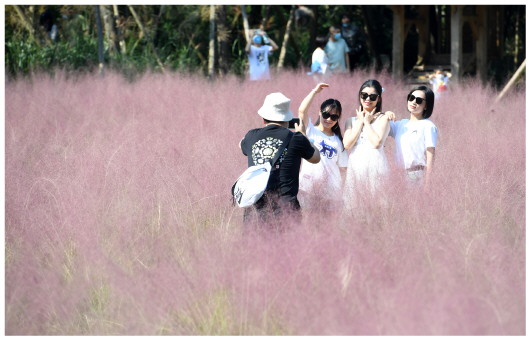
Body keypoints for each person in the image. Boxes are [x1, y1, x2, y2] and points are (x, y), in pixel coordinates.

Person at [239, 92, 320, 227]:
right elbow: (316, 157)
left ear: (263, 119)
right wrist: (303, 135)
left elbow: (241, 145)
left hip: (254, 211)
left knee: (254, 248)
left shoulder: (251, 136)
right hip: (286, 210)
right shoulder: (296, 138)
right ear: (287, 120)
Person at [297, 83, 348, 211]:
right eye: (326, 114)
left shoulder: (339, 142)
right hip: (307, 189)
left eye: (334, 116)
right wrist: (314, 91)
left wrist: (342, 192)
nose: (329, 119)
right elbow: (302, 111)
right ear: (319, 112)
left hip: (331, 194)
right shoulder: (310, 130)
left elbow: (343, 169)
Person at [342, 79, 392, 212]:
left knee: (378, 206)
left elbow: (376, 143)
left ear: (379, 99)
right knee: (355, 206)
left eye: (372, 96)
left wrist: (367, 122)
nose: (367, 99)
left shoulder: (384, 118)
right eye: (364, 95)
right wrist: (360, 122)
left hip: (376, 166)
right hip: (356, 166)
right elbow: (347, 144)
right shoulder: (350, 121)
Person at [388, 85, 438, 188]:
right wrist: (386, 114)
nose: (414, 102)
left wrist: (427, 184)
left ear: (426, 106)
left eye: (419, 100)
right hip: (398, 175)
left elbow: (430, 156)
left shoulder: (428, 126)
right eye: (411, 98)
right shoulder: (401, 124)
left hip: (416, 174)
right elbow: (381, 128)